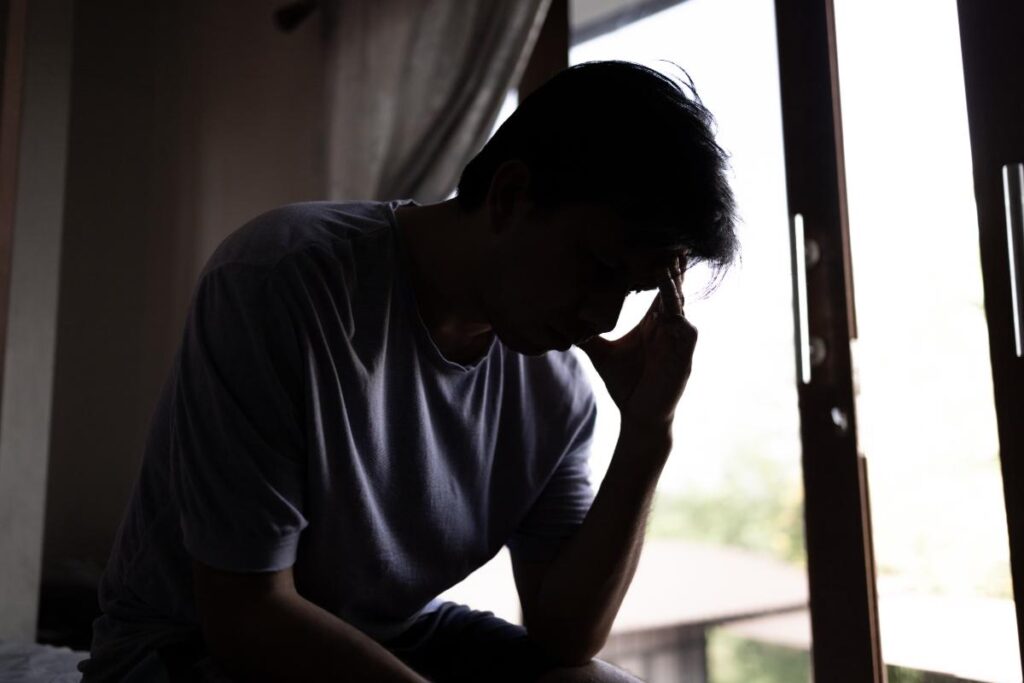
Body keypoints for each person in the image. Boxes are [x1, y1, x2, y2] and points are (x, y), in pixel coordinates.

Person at [79, 60, 738, 682]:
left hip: (393, 636)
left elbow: (563, 635)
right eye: (597, 267)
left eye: (632, 290)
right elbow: (245, 614)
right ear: (510, 196)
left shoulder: (557, 390)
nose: (602, 316)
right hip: (183, 653)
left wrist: (649, 431)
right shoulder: (282, 282)